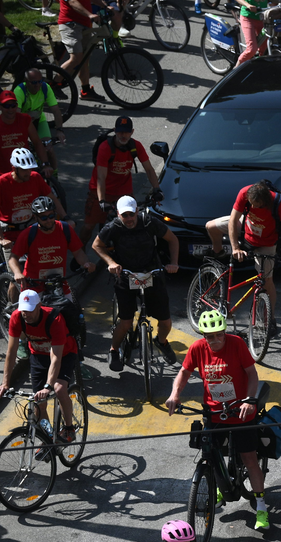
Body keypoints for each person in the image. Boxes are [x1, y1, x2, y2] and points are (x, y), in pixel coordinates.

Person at [166, 311, 273, 530]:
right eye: (209, 336)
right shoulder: (197, 348)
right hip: (214, 413)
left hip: (241, 412)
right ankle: (218, 486)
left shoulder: (236, 344)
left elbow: (252, 375)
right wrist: (175, 394)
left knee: (250, 459)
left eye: (218, 335)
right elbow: (184, 372)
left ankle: (261, 506)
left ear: (225, 332)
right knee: (210, 452)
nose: (214, 341)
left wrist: (249, 401)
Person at [92, 195, 177, 376]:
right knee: (125, 322)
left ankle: (161, 342)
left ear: (137, 212)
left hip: (151, 274)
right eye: (125, 216)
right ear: (118, 214)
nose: (129, 219)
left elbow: (173, 240)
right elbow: (96, 245)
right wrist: (111, 263)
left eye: (132, 214)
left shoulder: (149, 223)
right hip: (126, 276)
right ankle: (114, 350)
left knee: (166, 321)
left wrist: (173, 263)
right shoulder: (113, 227)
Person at [204, 180, 281, 327]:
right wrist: (235, 248)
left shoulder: (277, 204)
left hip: (266, 242)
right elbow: (233, 220)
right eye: (251, 203)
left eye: (258, 205)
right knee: (211, 226)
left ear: (266, 202)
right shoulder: (245, 193)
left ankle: (270, 320)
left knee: (267, 281)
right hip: (246, 227)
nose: (253, 207)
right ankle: (218, 253)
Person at [0, 290, 81, 440]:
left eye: (29, 310)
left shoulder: (55, 319)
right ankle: (47, 438)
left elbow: (56, 357)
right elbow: (11, 352)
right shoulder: (17, 317)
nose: (26, 314)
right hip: (38, 355)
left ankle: (69, 428)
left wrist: (48, 386)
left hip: (64, 353)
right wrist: (5, 383)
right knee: (38, 402)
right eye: (23, 310)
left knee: (59, 388)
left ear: (39, 306)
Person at [84, 117, 158, 245]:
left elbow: (149, 170)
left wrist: (157, 189)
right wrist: (102, 201)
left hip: (124, 191)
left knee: (132, 223)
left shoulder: (136, 146)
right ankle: (81, 252)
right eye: (120, 132)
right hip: (101, 191)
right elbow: (101, 177)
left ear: (132, 132)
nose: (123, 135)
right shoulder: (105, 147)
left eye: (126, 132)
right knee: (89, 226)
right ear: (115, 131)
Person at [0, 148, 61, 266]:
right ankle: (9, 284)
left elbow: (52, 198)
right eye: (24, 170)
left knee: (43, 262)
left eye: (30, 169)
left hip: (30, 226)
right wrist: (1, 239)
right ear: (14, 169)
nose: (28, 173)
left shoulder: (35, 178)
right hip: (9, 232)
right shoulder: (0, 184)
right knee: (16, 275)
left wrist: (66, 216)